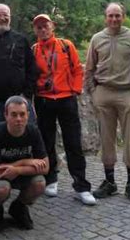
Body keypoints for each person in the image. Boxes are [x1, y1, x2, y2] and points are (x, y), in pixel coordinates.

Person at [85, 2, 130, 203]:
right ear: (105, 17)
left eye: (117, 15)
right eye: (110, 16)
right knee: (106, 139)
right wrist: (94, 93)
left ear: (123, 16)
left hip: (127, 94)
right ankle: (110, 182)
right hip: (104, 94)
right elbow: (89, 69)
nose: (114, 19)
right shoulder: (97, 39)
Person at [32, 14, 96, 205]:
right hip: (44, 100)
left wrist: (75, 90)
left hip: (66, 98)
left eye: (45, 26)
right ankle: (51, 179)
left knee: (73, 142)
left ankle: (82, 186)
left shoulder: (65, 45)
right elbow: (32, 75)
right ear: (35, 30)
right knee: (47, 141)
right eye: (39, 27)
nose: (43, 29)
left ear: (53, 26)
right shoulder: (34, 50)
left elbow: (77, 69)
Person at [0, 96, 49, 231]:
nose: (18, 119)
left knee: (39, 184)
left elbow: (45, 167)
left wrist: (17, 169)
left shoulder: (33, 131)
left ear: (28, 115)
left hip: (18, 172)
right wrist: (26, 162)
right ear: (6, 115)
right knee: (1, 189)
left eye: (22, 114)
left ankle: (18, 207)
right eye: (14, 115)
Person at [0, 4, 37, 124]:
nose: (2, 18)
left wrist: (26, 94)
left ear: (10, 17)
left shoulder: (21, 40)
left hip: (21, 100)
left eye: (5, 15)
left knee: (25, 138)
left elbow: (32, 68)